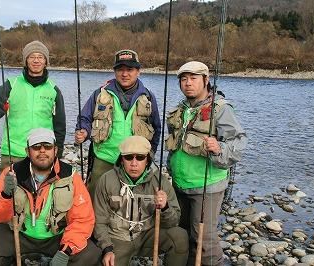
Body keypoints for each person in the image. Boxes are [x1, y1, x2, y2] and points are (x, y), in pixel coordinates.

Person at [0, 128, 101, 266]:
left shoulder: (70, 176)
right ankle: (15, 261)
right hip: (18, 235)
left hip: (56, 237)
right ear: (28, 151)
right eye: (36, 147)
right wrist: (6, 194)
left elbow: (83, 219)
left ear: (55, 150)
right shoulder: (12, 173)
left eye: (47, 146)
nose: (42, 151)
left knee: (92, 254)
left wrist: (65, 251)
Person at [166, 61, 248, 265]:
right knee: (183, 232)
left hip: (207, 187)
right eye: (183, 79)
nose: (188, 83)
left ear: (206, 80)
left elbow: (239, 142)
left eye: (193, 78)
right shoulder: (181, 109)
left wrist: (220, 148)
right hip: (180, 183)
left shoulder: (220, 109)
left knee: (204, 238)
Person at [0, 40, 66, 171]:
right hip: (13, 154)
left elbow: (60, 127)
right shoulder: (10, 85)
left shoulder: (54, 90)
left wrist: (57, 155)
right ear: (26, 60)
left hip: (42, 155)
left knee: (42, 191)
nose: (36, 61)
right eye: (32, 57)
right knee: (8, 191)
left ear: (46, 62)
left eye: (40, 57)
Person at [75, 49, 161, 197]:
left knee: (131, 203)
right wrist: (83, 130)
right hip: (104, 158)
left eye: (130, 69)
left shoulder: (148, 97)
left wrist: (149, 155)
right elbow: (85, 118)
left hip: (135, 161)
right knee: (96, 199)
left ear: (138, 72)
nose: (125, 74)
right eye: (120, 69)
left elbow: (157, 128)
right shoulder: (99, 93)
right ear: (114, 71)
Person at [93, 135, 189, 266]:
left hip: (148, 236)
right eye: (128, 157)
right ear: (121, 160)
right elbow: (99, 221)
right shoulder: (106, 181)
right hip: (117, 239)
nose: (134, 163)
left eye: (140, 158)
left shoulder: (160, 182)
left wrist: (165, 207)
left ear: (147, 160)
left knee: (180, 237)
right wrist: (107, 248)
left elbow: (173, 222)